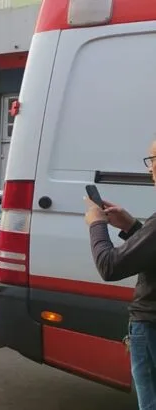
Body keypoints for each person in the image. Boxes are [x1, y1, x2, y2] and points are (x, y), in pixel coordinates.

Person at [84, 140, 156, 409]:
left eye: (153, 159)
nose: (150, 169)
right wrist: (131, 225)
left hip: (150, 326)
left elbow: (110, 266)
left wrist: (97, 224)